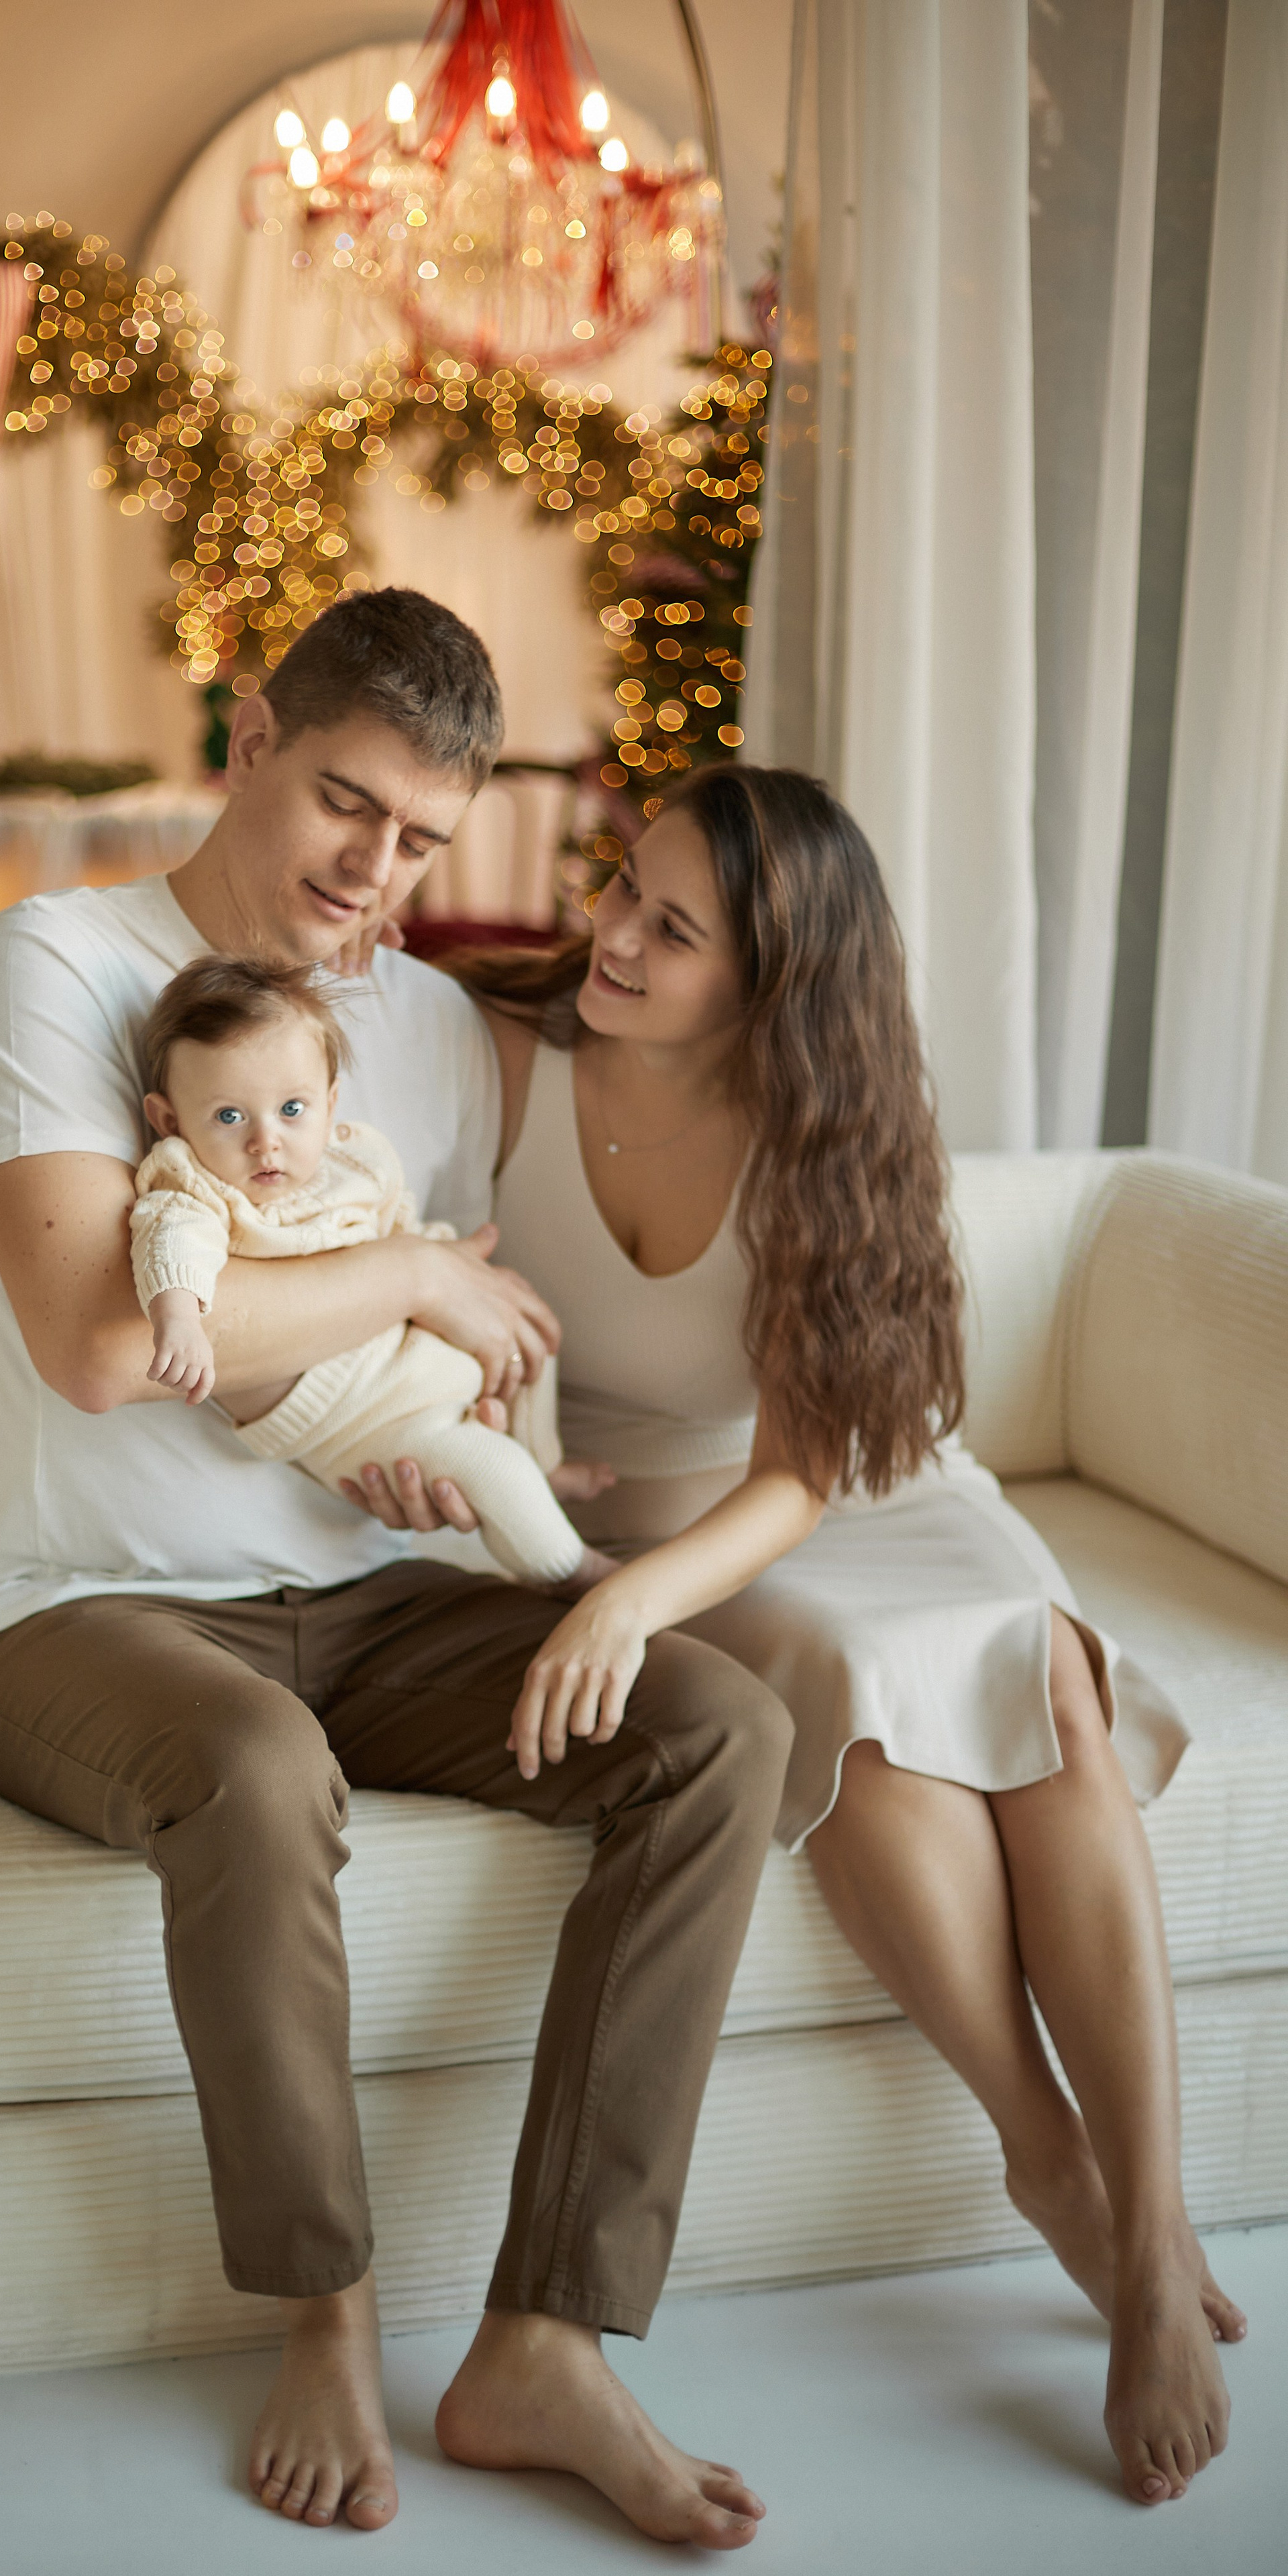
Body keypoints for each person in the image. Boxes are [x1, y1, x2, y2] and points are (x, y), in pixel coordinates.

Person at [0, 590, 792, 2549]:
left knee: (719, 1721)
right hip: (85, 1606)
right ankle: (317, 2313)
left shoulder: (425, 1033)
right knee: (250, 1763)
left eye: (418, 836)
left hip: (377, 1595)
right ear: (245, 731)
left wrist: (427, 1435)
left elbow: (419, 1347)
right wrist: (405, 1274)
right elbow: (103, 1334)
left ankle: (544, 2334)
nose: (373, 873)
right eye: (344, 805)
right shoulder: (49, 971)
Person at [351, 763, 1244, 2512]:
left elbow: (804, 1474)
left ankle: (1145, 2231)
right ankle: (1044, 2154)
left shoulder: (821, 1133)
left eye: (672, 931)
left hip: (837, 1496)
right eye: (624, 887)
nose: (610, 932)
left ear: (773, 987)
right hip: (634, 1511)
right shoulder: (500, 1058)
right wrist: (445, 1436)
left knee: (1039, 1667)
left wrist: (628, 1607)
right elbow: (376, 1243)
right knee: (856, 1693)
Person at [131, 953, 604, 1588]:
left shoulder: (350, 1162)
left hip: (411, 1351)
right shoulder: (198, 1189)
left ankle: (545, 1462)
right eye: (229, 1116)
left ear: (329, 1104)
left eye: (292, 1110)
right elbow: (170, 1239)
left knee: (528, 1343)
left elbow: (393, 1227)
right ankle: (574, 1572)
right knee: (492, 1470)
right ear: (170, 1121)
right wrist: (179, 1317)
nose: (265, 1141)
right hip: (359, 1416)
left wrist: (449, 1262)